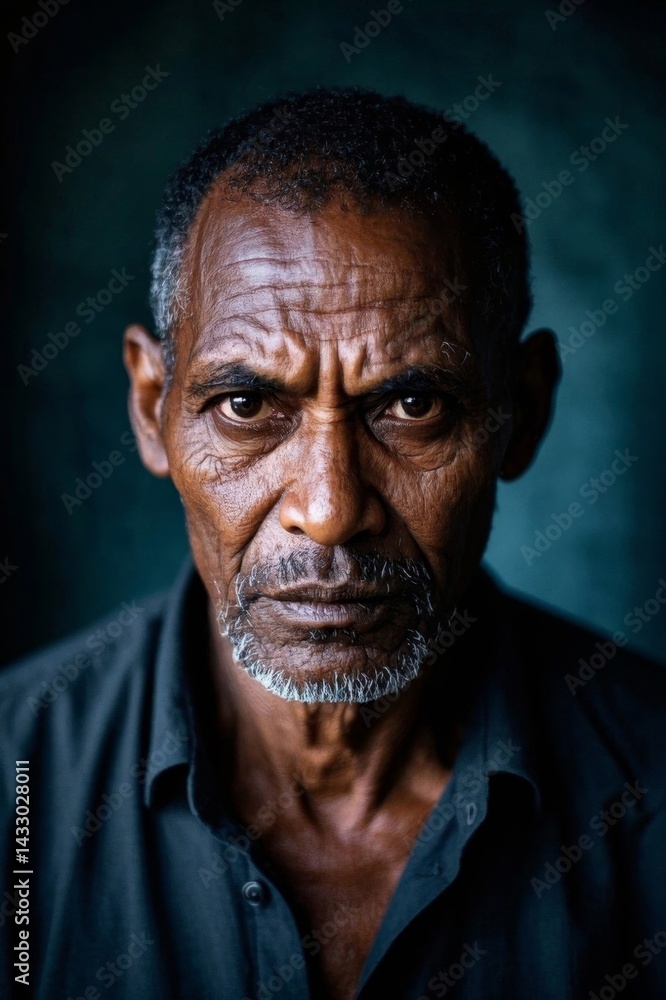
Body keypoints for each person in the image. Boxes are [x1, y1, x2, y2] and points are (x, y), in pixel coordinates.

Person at [1, 87, 664, 1000]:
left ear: (525, 411)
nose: (329, 508)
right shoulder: (15, 786)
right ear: (153, 409)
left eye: (413, 405)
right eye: (246, 406)